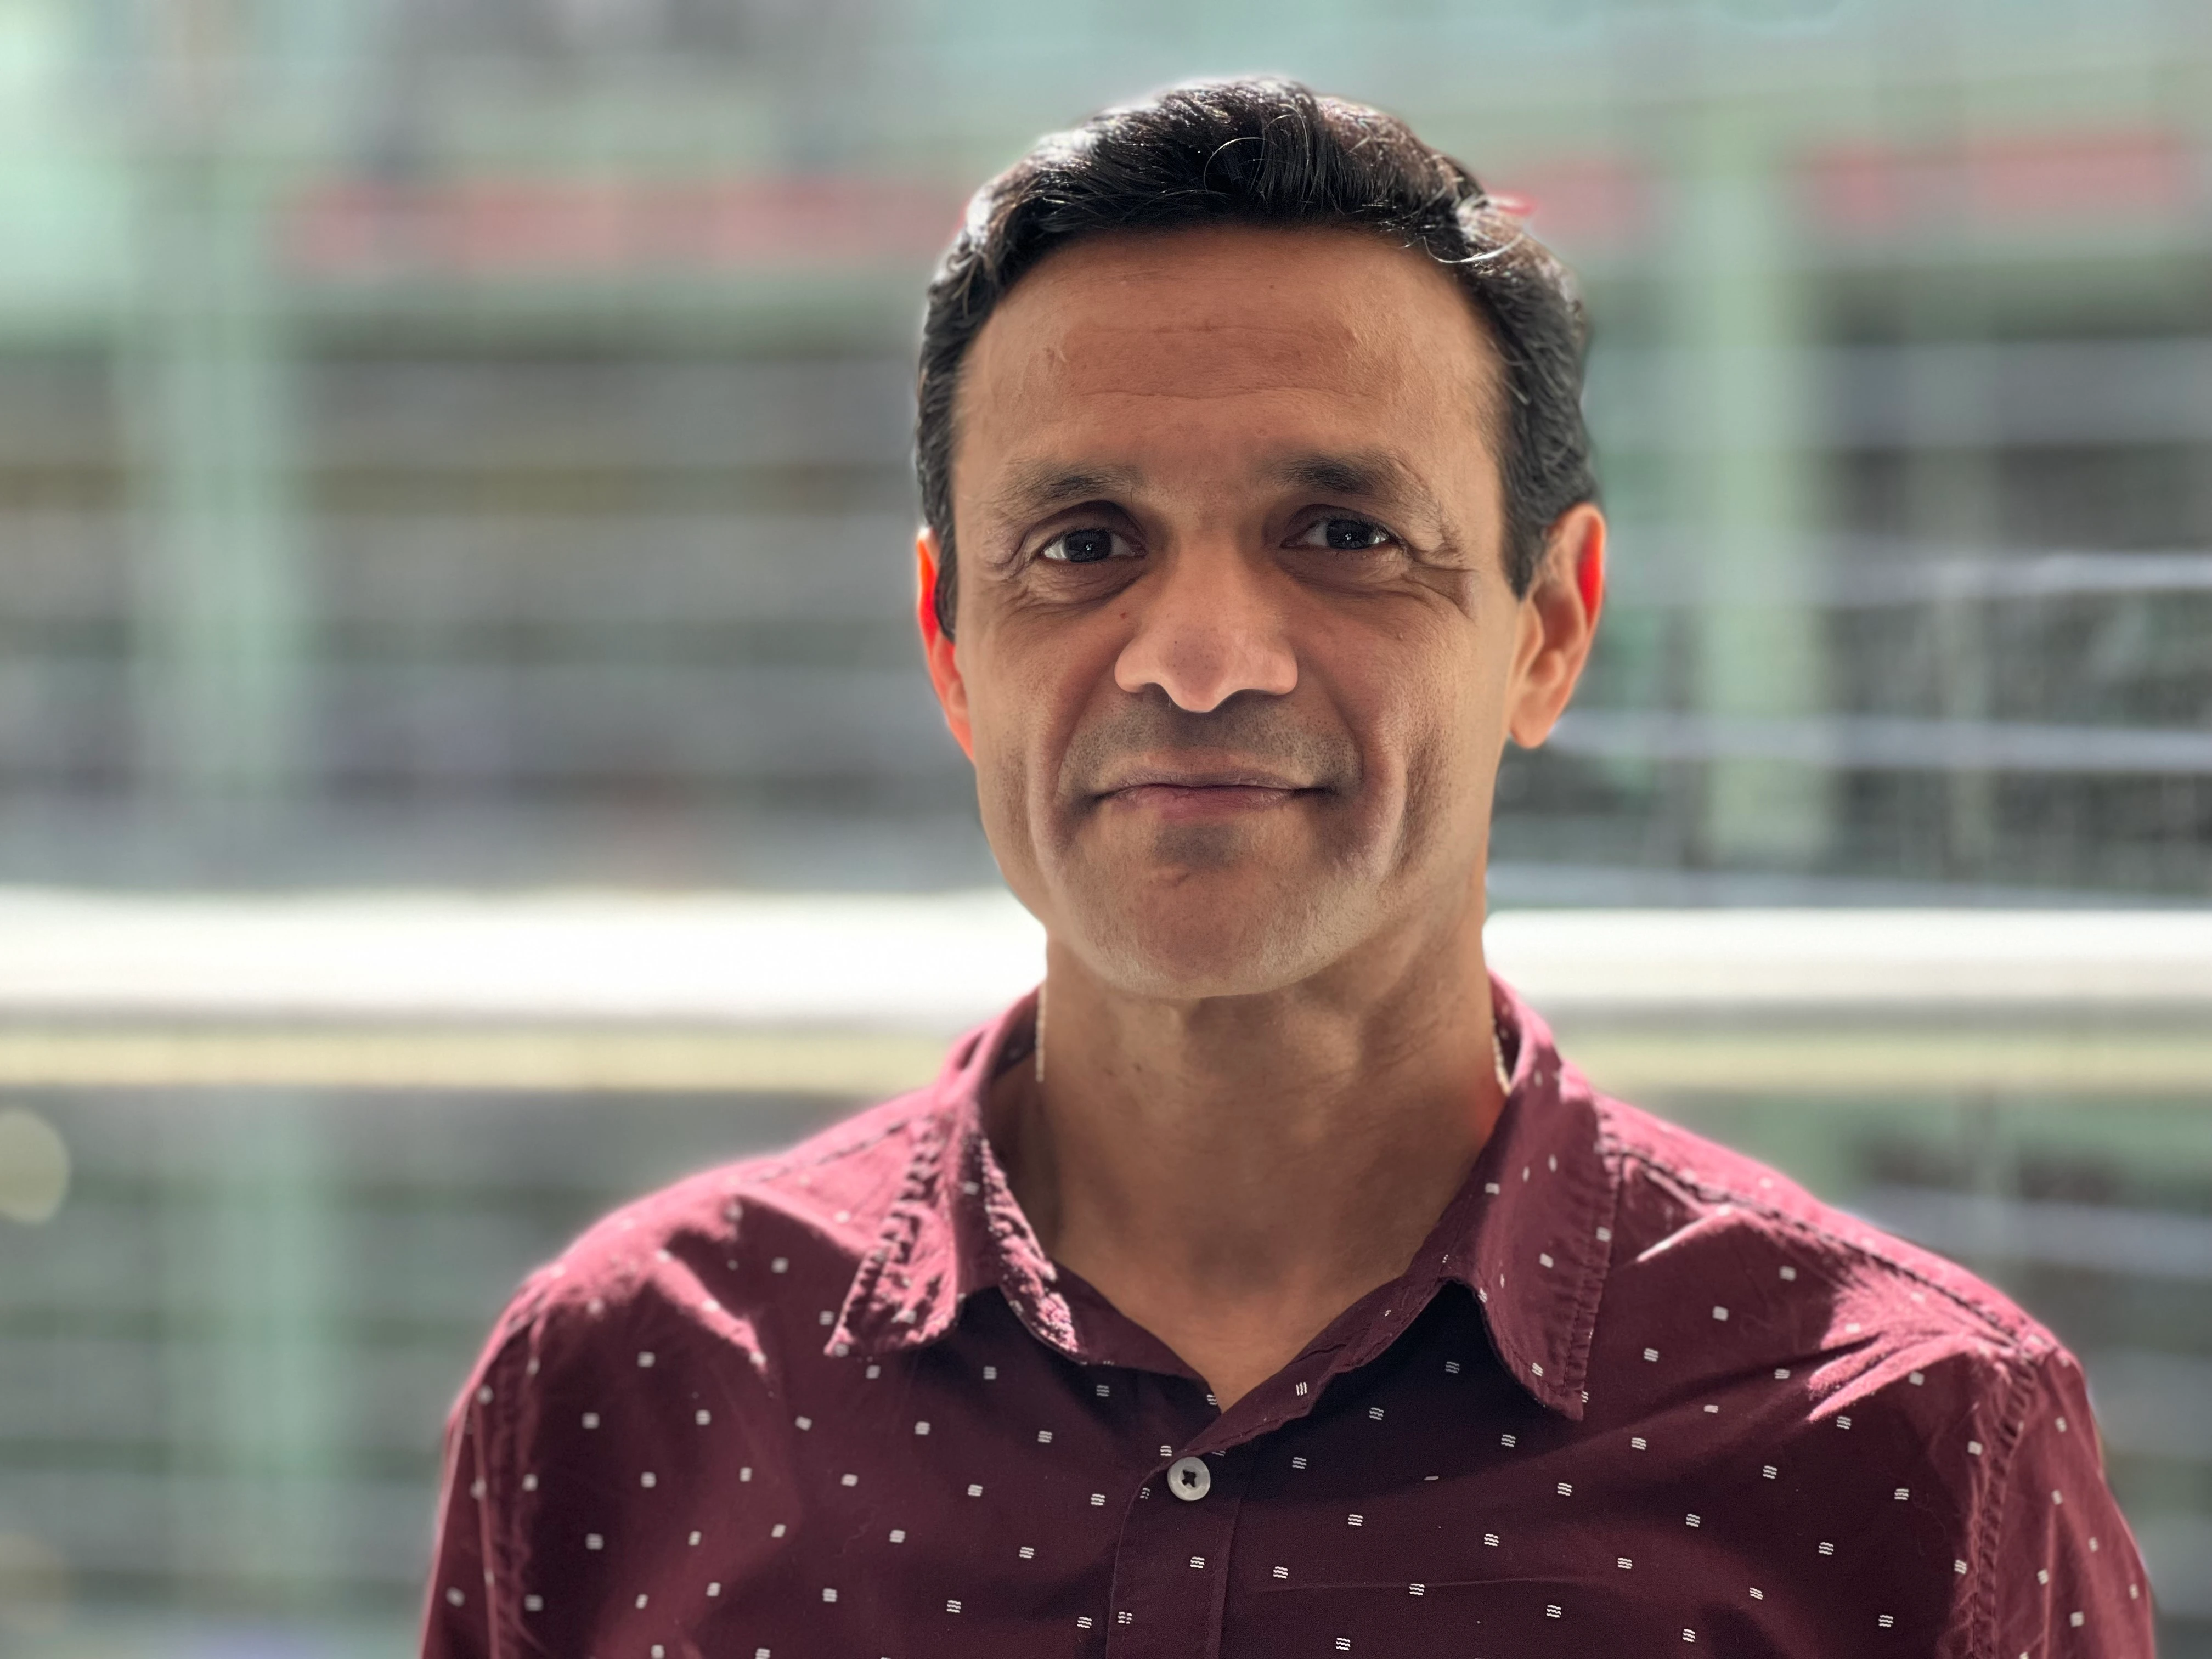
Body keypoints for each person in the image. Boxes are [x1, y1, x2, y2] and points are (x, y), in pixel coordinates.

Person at [420, 79, 2153, 1658]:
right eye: (1084, 544)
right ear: (952, 645)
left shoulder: (1916, 1440)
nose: (1198, 660)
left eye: (1341, 535)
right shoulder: (621, 1382)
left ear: (1550, 629)